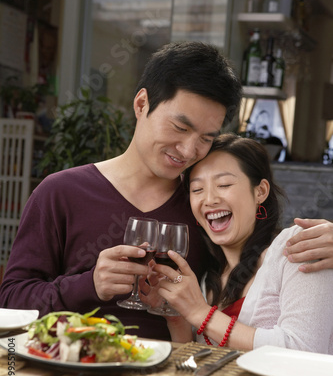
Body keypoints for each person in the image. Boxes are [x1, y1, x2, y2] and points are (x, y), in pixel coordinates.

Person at [1, 41, 332, 341]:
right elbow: (11, 303)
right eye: (180, 127)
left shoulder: (204, 208)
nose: (189, 150)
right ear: (142, 103)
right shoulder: (61, 193)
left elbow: (260, 260)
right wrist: (88, 285)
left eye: (206, 138)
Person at [142, 133, 333, 353]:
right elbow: (196, 360)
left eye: (224, 184)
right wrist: (177, 315)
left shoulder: (298, 245)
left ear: (260, 191)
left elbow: (302, 350)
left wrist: (199, 312)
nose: (210, 199)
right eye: (197, 190)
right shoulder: (207, 278)